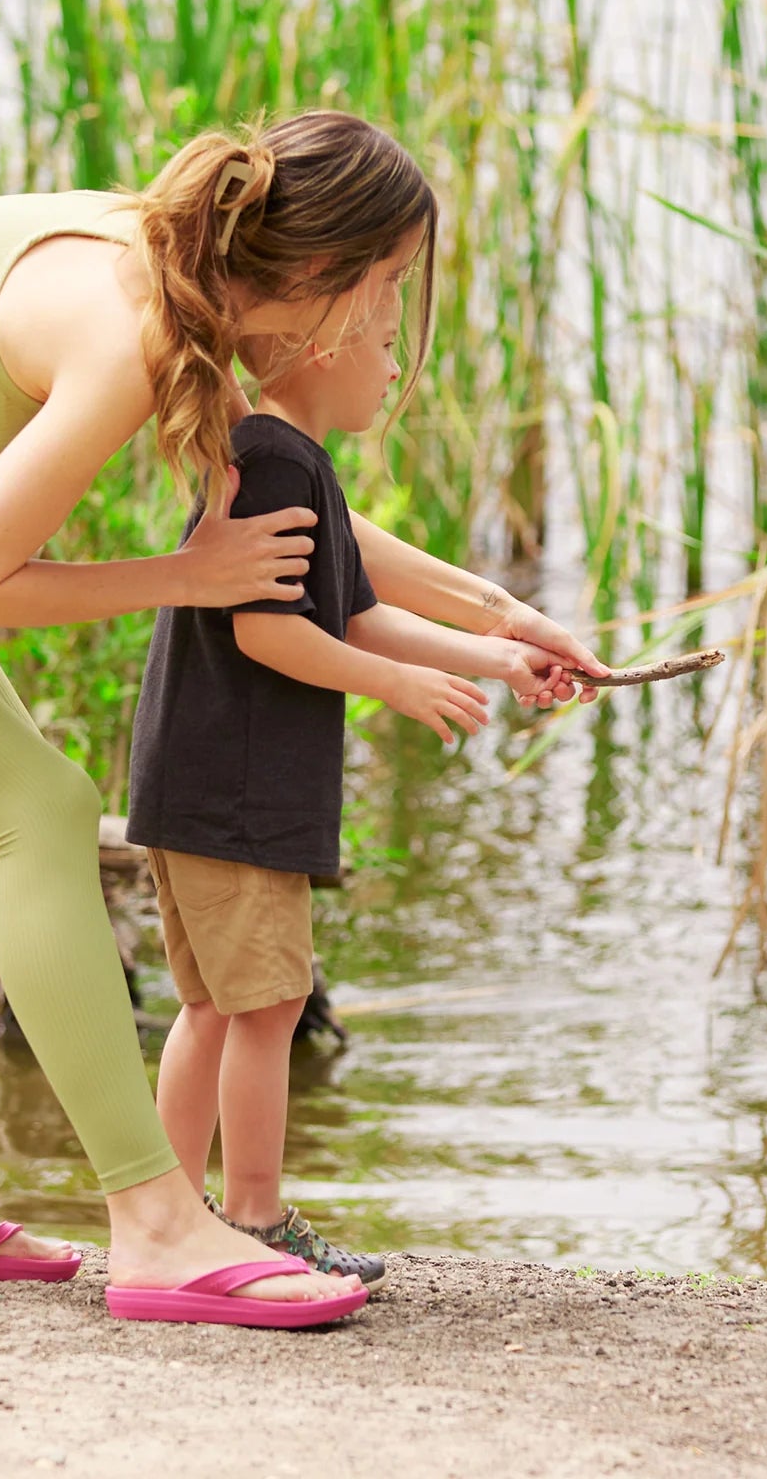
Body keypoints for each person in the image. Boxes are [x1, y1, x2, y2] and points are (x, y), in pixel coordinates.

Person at [0, 110, 605, 1327]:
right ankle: (154, 1221)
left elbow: (308, 533)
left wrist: (502, 612)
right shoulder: (137, 329)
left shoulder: (181, 276)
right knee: (36, 803)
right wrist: (183, 577)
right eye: (389, 284)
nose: (389, 321)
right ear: (315, 275)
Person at [132, 278, 525, 1286]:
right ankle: (252, 1219)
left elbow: (345, 611)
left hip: (201, 782)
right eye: (388, 342)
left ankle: (168, 1218)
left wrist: (500, 656)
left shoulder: (284, 459)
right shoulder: (276, 460)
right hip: (239, 791)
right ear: (324, 345)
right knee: (267, 1003)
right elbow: (268, 630)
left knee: (219, 1006)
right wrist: (396, 685)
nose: (398, 367)